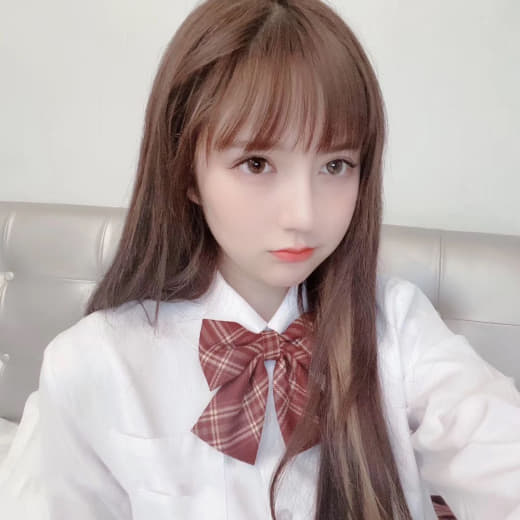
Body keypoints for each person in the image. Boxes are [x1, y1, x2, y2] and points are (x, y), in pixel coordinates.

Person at [33, 0, 520, 519]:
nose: (303, 215)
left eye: (336, 164)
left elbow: (496, 448)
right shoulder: (93, 363)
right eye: (257, 163)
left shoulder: (397, 325)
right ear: (186, 173)